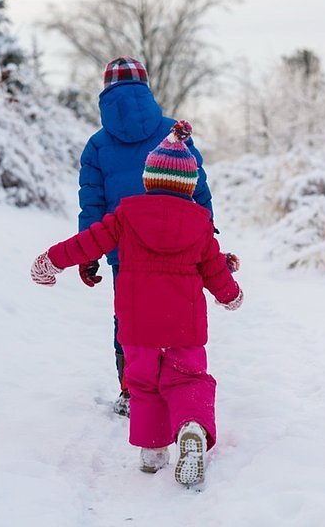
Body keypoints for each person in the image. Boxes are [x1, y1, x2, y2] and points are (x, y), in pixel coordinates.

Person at [31, 121, 243, 486]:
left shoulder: (125, 215)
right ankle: (191, 427)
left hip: (137, 325)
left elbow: (88, 242)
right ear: (190, 185)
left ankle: (152, 451)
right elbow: (212, 270)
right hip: (184, 326)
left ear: (148, 179)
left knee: (144, 384)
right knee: (188, 379)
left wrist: (51, 260)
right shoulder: (200, 224)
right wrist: (232, 294)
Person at [77, 57, 215, 417]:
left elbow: (92, 202)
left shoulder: (97, 145)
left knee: (130, 318)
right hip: (182, 249)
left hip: (126, 251)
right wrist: (207, 234)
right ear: (146, 89)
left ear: (105, 92)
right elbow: (197, 187)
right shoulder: (175, 133)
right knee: (177, 315)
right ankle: (179, 384)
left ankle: (132, 390)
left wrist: (88, 254)